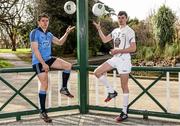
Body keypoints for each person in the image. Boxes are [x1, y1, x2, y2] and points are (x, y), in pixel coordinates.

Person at [30, 13, 75, 123]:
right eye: (43, 21)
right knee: (44, 85)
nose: (45, 23)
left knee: (68, 66)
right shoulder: (34, 33)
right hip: (38, 62)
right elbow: (35, 50)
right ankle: (42, 111)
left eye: (47, 21)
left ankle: (63, 88)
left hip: (48, 59)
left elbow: (59, 42)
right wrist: (43, 64)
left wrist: (67, 33)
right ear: (39, 22)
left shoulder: (49, 34)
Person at [93, 11, 136, 122]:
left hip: (124, 61)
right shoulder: (115, 31)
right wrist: (99, 29)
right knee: (97, 72)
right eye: (119, 18)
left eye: (122, 17)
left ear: (126, 19)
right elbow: (105, 40)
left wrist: (118, 50)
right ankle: (111, 91)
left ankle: (124, 113)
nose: (120, 19)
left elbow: (133, 48)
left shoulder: (130, 31)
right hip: (115, 59)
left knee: (124, 87)